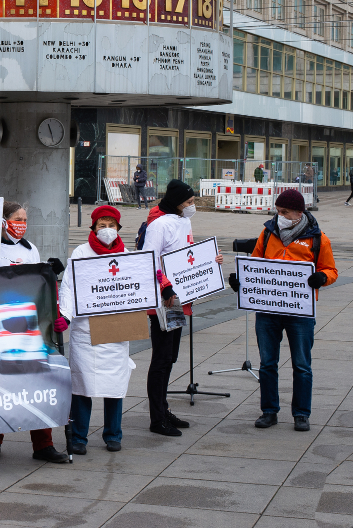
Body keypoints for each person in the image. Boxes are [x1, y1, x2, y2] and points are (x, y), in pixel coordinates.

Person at [228, 189, 337, 431]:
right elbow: (254, 263)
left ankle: (301, 414)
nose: (280, 216)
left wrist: (321, 277)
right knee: (267, 363)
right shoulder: (268, 233)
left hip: (300, 311)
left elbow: (331, 270)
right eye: (278, 212)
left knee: (301, 364)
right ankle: (269, 411)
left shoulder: (318, 238)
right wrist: (241, 280)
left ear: (299, 213)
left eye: (284, 212)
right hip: (268, 310)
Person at [0, 202, 69, 464]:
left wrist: (51, 273)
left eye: (25, 219)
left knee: (38, 384)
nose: (22, 224)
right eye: (17, 219)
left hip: (29, 326)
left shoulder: (31, 250)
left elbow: (40, 287)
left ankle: (43, 444)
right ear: (3, 221)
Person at [141, 179, 223, 437]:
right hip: (164, 300)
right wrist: (164, 286)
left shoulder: (183, 221)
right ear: (177, 202)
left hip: (179, 300)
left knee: (171, 357)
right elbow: (149, 258)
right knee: (161, 359)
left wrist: (210, 261)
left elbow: (184, 255)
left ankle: (163, 409)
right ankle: (157, 418)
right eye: (189, 202)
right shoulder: (159, 225)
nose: (192, 206)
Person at [59, 205, 135, 454]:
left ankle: (113, 434)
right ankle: (79, 437)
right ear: (93, 227)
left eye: (111, 225)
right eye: (101, 225)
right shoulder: (80, 252)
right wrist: (65, 315)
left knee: (115, 384)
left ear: (118, 228)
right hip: (87, 328)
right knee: (82, 384)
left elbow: (139, 284)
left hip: (115, 326)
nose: (106, 230)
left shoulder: (128, 254)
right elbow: (69, 286)